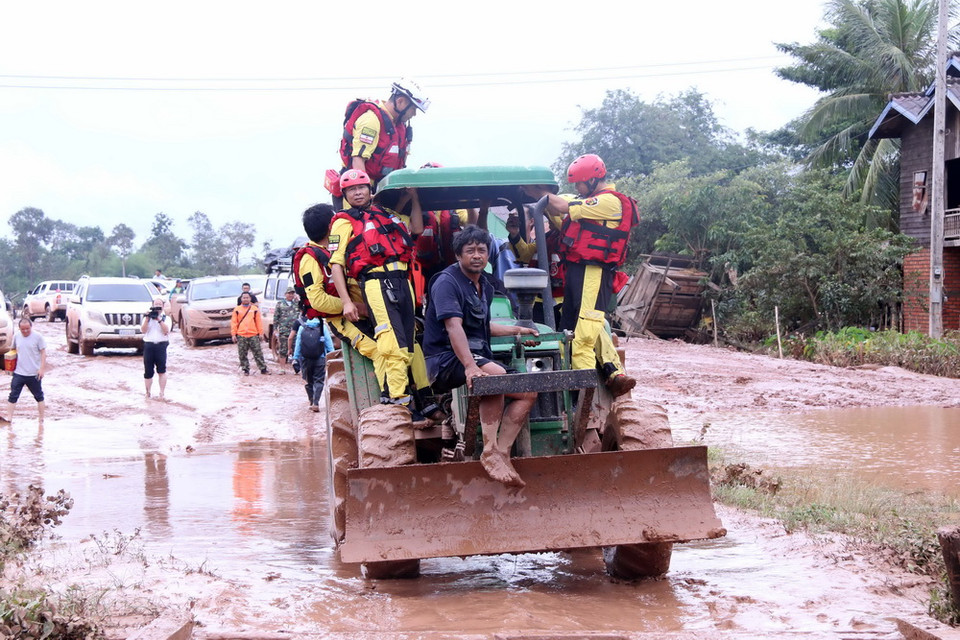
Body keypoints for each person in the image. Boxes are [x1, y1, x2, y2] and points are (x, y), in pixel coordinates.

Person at [294, 202, 442, 422]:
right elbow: (318, 301)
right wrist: (356, 306)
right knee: (381, 349)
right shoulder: (311, 258)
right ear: (330, 226)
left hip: (373, 308)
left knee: (411, 344)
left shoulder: (345, 244)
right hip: (344, 318)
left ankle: (425, 398)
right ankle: (395, 406)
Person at [423, 225, 539, 487]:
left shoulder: (484, 285)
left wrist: (518, 330)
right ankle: (489, 450)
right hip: (445, 359)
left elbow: (483, 326)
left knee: (528, 391)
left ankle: (502, 453)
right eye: (470, 250)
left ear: (488, 254)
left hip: (476, 355)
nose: (477, 255)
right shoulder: (446, 283)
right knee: (494, 377)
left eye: (482, 250)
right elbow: (454, 327)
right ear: (458, 255)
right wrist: (470, 366)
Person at [523, 154, 638, 398]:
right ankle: (597, 381)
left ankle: (584, 402)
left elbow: (562, 206)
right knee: (569, 331)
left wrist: (539, 191)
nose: (577, 189)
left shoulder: (610, 202)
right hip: (578, 274)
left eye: (579, 184)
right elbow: (560, 216)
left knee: (583, 337)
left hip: (594, 274)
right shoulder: (589, 203)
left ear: (593, 180)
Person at [329, 169, 428, 411]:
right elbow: (336, 264)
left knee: (408, 341)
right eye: (351, 190)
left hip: (402, 281)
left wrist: (414, 197)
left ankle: (410, 397)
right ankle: (398, 400)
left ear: (370, 190)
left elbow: (416, 228)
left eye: (361, 187)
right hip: (376, 282)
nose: (357, 193)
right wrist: (346, 301)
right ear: (345, 195)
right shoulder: (343, 222)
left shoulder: (385, 214)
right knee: (390, 340)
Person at [335, 79, 430, 198]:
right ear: (400, 102)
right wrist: (366, 195)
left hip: (381, 188)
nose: (414, 114)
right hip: (357, 191)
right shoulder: (371, 120)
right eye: (413, 109)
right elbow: (358, 159)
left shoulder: (398, 126)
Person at [1, 317, 47, 427]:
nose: (25, 331)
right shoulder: (17, 336)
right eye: (23, 329)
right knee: (13, 395)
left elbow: (43, 353)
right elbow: (12, 350)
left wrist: (41, 369)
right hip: (19, 373)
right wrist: (9, 366)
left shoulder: (38, 337)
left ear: (31, 327)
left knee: (39, 396)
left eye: (27, 329)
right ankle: (9, 419)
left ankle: (41, 420)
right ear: (19, 329)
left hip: (34, 373)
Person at [291, 315, 334, 412]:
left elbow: (298, 344)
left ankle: (311, 401)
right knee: (319, 380)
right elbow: (328, 343)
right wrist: (332, 355)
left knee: (309, 381)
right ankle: (316, 402)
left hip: (305, 359)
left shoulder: (302, 327)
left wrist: (295, 357)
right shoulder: (323, 327)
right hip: (320, 358)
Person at [140, 296, 171, 400]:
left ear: (163, 306)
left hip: (161, 345)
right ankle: (147, 393)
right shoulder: (147, 318)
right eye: (156, 305)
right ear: (152, 306)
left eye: (159, 305)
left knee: (162, 370)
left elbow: (166, 331)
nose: (157, 307)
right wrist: (147, 319)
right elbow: (143, 330)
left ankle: (162, 393)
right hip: (149, 345)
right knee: (148, 371)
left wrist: (159, 320)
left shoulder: (166, 318)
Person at [231, 292, 267, 375]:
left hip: (253, 334)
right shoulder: (237, 310)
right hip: (241, 335)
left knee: (258, 352)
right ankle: (245, 370)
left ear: (250, 299)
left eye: (247, 297)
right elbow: (234, 323)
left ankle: (263, 369)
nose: (246, 299)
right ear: (241, 299)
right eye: (244, 298)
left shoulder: (254, 309)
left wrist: (261, 333)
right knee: (242, 354)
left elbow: (258, 322)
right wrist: (233, 334)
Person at [273, 286, 299, 364]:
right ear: (285, 294)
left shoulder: (297, 304)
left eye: (292, 293)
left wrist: (298, 299)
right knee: (283, 350)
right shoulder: (280, 304)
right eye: (289, 293)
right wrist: (275, 329)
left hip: (295, 331)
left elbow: (303, 311)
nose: (291, 295)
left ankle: (296, 367)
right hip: (284, 330)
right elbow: (276, 317)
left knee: (296, 349)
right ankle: (282, 368)